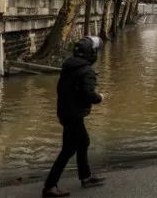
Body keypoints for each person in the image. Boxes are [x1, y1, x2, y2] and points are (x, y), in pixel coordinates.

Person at [42, 36, 106, 198]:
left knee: (83, 142)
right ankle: (50, 187)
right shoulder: (87, 71)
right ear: (91, 54)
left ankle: (86, 177)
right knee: (68, 150)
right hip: (74, 115)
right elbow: (88, 95)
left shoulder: (68, 67)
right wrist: (100, 97)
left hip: (65, 112)